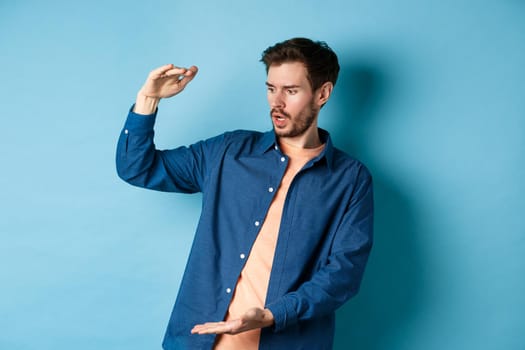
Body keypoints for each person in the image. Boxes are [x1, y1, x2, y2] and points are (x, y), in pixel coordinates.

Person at [116, 37, 373, 350]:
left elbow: (343, 274)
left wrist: (271, 316)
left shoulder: (350, 179)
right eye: (270, 88)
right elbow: (137, 168)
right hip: (197, 343)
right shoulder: (228, 151)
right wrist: (148, 100)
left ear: (322, 93)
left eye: (290, 91)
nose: (276, 102)